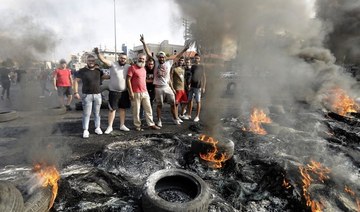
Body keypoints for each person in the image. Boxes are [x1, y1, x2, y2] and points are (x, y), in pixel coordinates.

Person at [140, 34, 189, 127]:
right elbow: (148, 52)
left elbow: (178, 56)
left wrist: (185, 50)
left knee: (173, 103)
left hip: (167, 87)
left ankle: (175, 118)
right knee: (159, 105)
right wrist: (144, 42)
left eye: (163, 57)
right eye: (160, 57)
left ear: (165, 57)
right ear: (158, 57)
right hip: (158, 88)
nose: (161, 58)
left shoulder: (169, 62)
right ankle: (159, 120)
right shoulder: (155, 62)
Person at [94, 48, 131, 134]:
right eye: (121, 58)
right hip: (114, 92)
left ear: (126, 59)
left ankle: (122, 125)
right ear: (119, 58)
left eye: (124, 58)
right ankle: (110, 127)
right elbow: (103, 60)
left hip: (124, 92)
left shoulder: (128, 67)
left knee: (122, 109)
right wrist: (98, 53)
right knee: (112, 110)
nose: (123, 60)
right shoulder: (112, 64)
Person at [127, 53, 160, 131]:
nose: (141, 60)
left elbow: (143, 80)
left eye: (143, 59)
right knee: (136, 110)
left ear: (145, 60)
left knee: (148, 109)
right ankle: (137, 125)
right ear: (137, 58)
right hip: (135, 92)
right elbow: (128, 80)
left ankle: (151, 124)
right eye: (140, 58)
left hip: (145, 92)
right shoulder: (132, 68)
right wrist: (130, 92)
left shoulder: (144, 69)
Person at [73, 55, 104, 138]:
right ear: (87, 61)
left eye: (93, 60)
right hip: (87, 96)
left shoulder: (98, 71)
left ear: (95, 61)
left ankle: (97, 128)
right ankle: (85, 130)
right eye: (89, 60)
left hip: (98, 95)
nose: (91, 62)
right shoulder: (82, 71)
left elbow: (103, 78)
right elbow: (76, 81)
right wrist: (75, 92)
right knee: (86, 114)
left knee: (97, 113)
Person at [184, 53, 206, 122]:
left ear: (199, 59)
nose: (196, 59)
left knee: (198, 101)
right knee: (190, 100)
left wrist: (203, 87)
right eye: (195, 58)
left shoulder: (202, 66)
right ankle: (189, 114)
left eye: (197, 58)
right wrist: (189, 84)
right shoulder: (193, 66)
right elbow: (190, 76)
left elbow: (204, 77)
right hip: (192, 86)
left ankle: (197, 116)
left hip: (198, 86)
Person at [170, 56, 188, 122]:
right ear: (177, 61)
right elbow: (170, 79)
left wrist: (186, 86)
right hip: (177, 88)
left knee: (185, 102)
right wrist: (172, 88)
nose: (181, 61)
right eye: (180, 60)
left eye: (182, 60)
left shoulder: (183, 68)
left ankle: (180, 115)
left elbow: (184, 79)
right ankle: (175, 117)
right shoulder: (174, 69)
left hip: (183, 89)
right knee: (176, 104)